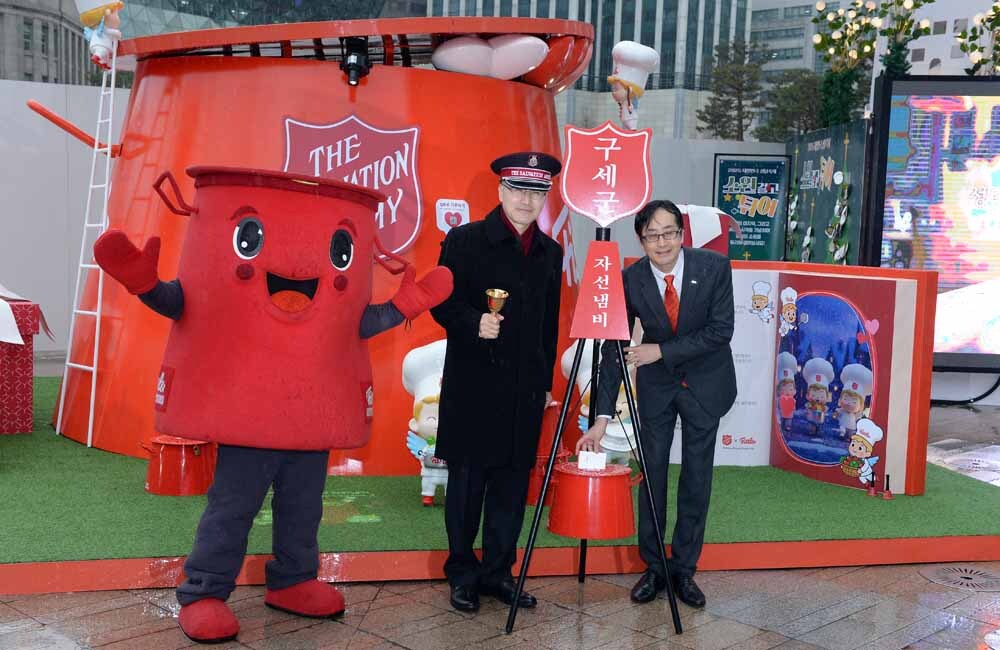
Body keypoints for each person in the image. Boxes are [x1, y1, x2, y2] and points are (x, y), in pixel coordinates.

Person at [576, 199, 736, 609]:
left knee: (697, 479)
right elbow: (613, 347)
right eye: (652, 235)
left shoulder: (713, 267)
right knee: (653, 475)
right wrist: (601, 416)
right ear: (641, 239)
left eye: (669, 233)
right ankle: (653, 567)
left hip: (705, 382)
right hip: (658, 389)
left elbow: (721, 331)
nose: (662, 242)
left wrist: (659, 351)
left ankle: (684, 570)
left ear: (681, 234)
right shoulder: (629, 279)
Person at [431, 151, 563, 613]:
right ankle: (463, 573)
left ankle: (498, 573)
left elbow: (550, 324)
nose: (527, 201)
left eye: (536, 193)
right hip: (474, 386)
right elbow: (440, 304)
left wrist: (545, 383)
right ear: (501, 191)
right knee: (467, 487)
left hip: (525, 392)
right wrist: (472, 322)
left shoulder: (551, 252)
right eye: (519, 190)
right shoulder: (464, 241)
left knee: (511, 486)